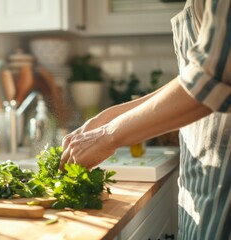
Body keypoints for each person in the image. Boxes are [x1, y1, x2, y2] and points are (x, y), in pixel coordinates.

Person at [60, 0, 231, 239]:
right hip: (205, 186)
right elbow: (194, 77)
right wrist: (111, 116)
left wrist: (107, 136)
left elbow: (210, 80)